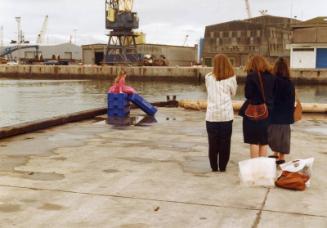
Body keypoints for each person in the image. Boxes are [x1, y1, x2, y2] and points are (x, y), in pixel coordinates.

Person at [205, 54, 237, 172]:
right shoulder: (231, 77)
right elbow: (233, 93)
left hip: (211, 115)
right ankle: (222, 167)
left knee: (212, 142)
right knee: (225, 142)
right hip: (226, 115)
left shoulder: (208, 77)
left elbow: (208, 89)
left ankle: (214, 167)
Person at [240, 55, 275, 158]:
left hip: (253, 113)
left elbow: (248, 94)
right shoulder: (272, 76)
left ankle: (254, 166)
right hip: (268, 112)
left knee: (254, 140)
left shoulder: (251, 76)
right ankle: (262, 167)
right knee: (264, 141)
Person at [268, 57, 295, 164]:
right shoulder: (289, 82)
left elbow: (271, 96)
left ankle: (277, 155)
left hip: (275, 112)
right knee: (284, 135)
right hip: (286, 113)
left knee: (273, 134)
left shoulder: (273, 81)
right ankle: (280, 156)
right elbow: (292, 99)